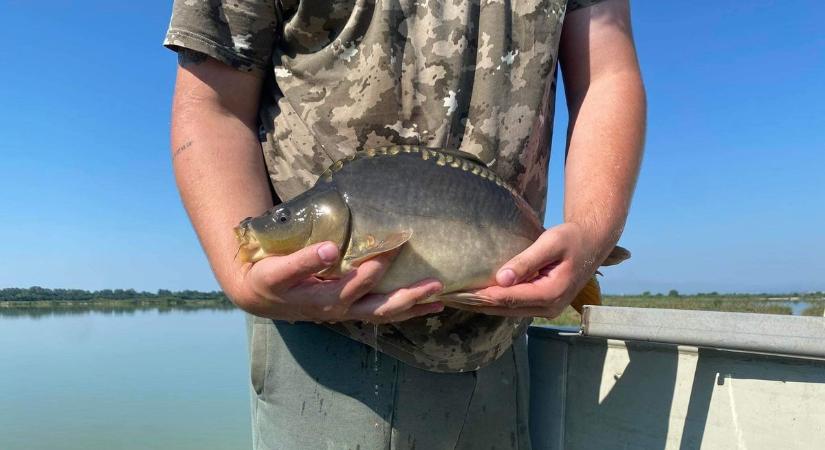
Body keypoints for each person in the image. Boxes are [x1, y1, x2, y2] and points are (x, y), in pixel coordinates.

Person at [164, 0, 645, 448]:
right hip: (321, 351)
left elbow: (607, 73)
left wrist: (590, 234)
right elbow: (213, 102)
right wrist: (244, 280)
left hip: (503, 345)